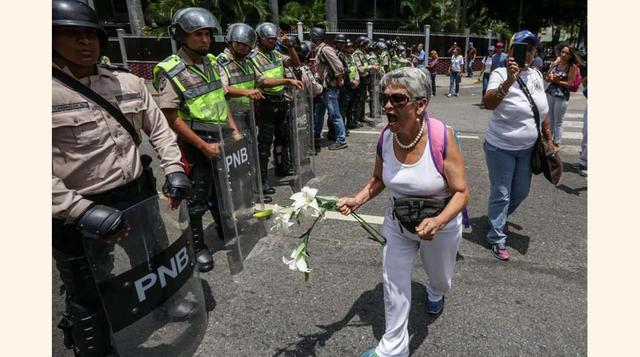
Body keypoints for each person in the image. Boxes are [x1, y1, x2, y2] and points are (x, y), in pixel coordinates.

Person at [52, 1, 191, 354]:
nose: (85, 42)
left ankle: (166, 303)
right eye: (71, 34)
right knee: (89, 289)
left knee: (155, 257)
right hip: (80, 208)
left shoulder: (127, 81)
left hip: (136, 193)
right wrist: (78, 210)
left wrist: (173, 168)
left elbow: (159, 129)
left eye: (90, 34)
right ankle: (96, 347)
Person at [337, 67, 469, 357]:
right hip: (398, 224)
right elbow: (379, 179)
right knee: (394, 282)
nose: (387, 106)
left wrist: (438, 220)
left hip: (440, 226)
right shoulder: (386, 136)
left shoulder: (441, 137)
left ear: (420, 104)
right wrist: (357, 199)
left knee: (441, 279)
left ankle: (435, 291)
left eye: (398, 99)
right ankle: (393, 349)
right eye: (385, 99)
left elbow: (461, 193)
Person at [153, 7, 241, 272]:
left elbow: (219, 99)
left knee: (221, 189)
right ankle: (197, 246)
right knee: (197, 198)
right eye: (197, 35)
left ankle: (225, 228)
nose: (205, 40)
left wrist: (233, 129)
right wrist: (202, 145)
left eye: (207, 34)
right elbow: (170, 116)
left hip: (219, 136)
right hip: (193, 142)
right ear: (182, 36)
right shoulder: (171, 70)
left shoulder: (212, 63)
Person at [482, 30, 554, 261]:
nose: (528, 53)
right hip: (500, 147)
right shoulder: (500, 73)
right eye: (523, 47)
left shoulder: (535, 75)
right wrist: (510, 81)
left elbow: (542, 109)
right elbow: (489, 103)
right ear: (511, 50)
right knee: (502, 194)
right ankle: (496, 237)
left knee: (520, 192)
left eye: (532, 49)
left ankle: (497, 217)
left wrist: (548, 136)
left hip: (528, 148)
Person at [248, 22, 304, 181]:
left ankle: (281, 167)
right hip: (265, 102)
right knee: (265, 142)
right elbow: (262, 82)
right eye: (269, 39)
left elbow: (295, 63)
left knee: (282, 137)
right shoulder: (253, 57)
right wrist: (287, 81)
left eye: (274, 39)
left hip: (280, 100)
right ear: (259, 39)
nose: (273, 42)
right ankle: (262, 179)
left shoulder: (276, 54)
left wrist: (290, 46)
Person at [311, 27, 349, 150]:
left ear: (314, 37)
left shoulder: (326, 50)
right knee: (319, 113)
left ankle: (341, 140)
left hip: (329, 89)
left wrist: (338, 82)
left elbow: (338, 67)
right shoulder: (320, 49)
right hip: (323, 88)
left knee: (335, 115)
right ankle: (316, 135)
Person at [544, 44, 584, 148]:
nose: (564, 55)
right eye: (562, 52)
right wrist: (553, 66)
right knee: (550, 119)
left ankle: (556, 142)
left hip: (562, 96)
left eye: (567, 53)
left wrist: (557, 81)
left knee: (558, 121)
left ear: (571, 56)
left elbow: (570, 83)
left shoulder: (572, 67)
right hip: (551, 93)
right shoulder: (556, 63)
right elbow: (548, 77)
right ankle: (549, 142)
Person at [353, 36, 378, 125]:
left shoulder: (363, 53)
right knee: (359, 100)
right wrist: (371, 67)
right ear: (362, 44)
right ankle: (356, 119)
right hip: (359, 79)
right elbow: (360, 69)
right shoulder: (357, 54)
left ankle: (362, 117)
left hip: (365, 79)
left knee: (363, 99)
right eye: (366, 44)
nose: (368, 45)